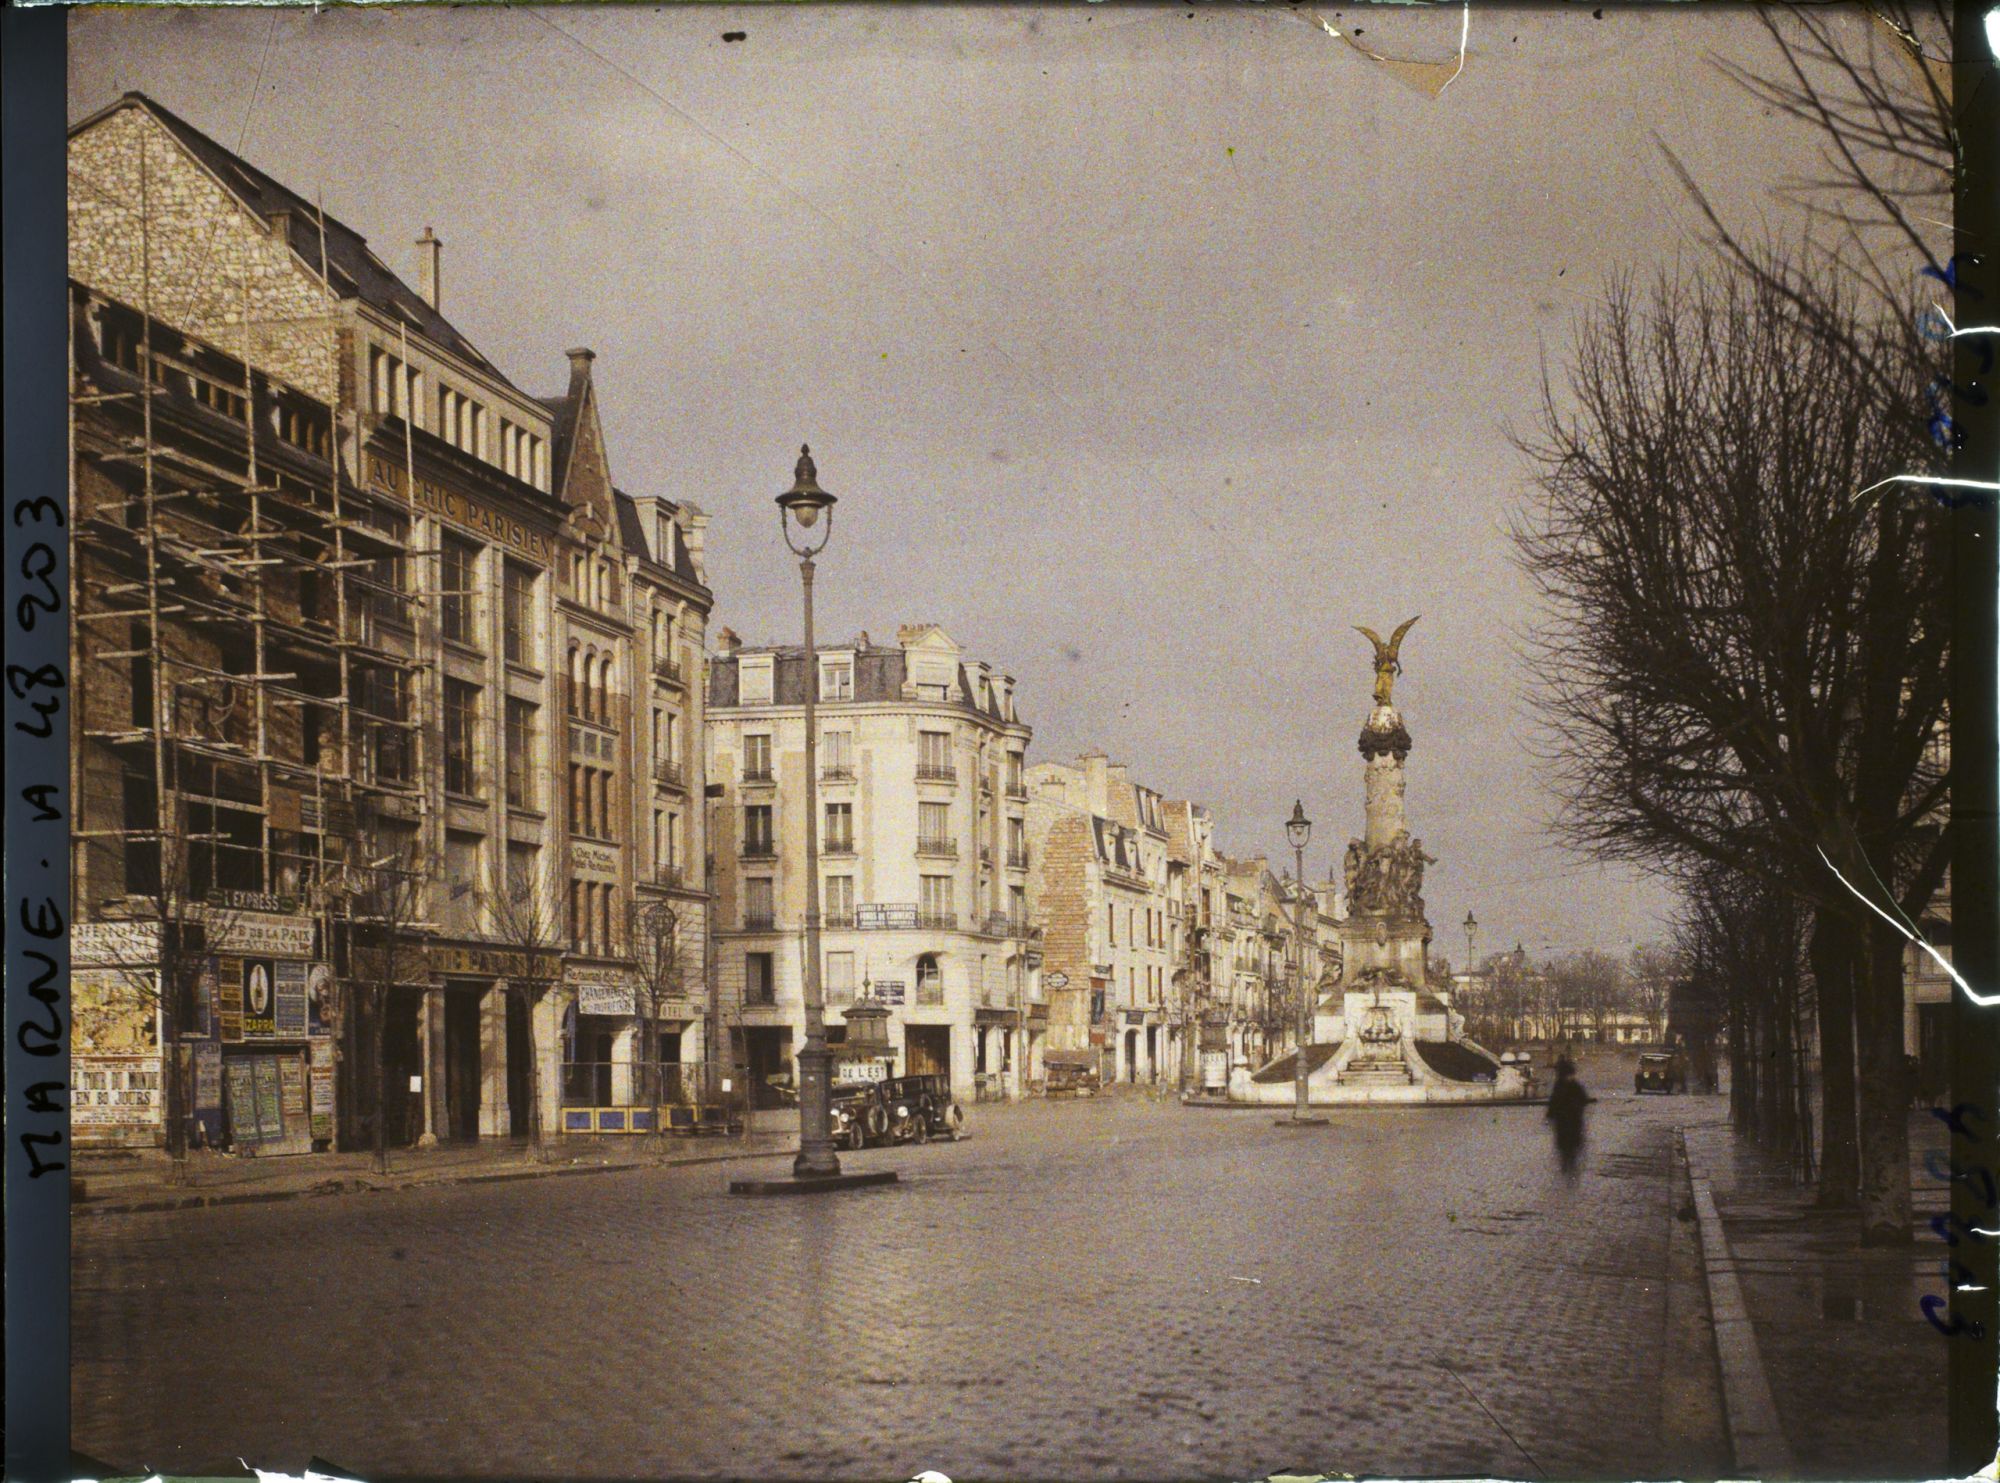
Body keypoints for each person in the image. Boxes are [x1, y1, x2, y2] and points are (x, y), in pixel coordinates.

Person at [1546, 1056, 1593, 1177]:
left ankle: (1567, 1164)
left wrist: (1550, 1115)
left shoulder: (1562, 1086)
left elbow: (1554, 1102)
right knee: (1569, 1145)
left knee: (1567, 1146)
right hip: (1570, 1121)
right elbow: (1583, 1098)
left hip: (1567, 1122)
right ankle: (1568, 1164)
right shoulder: (1570, 1085)